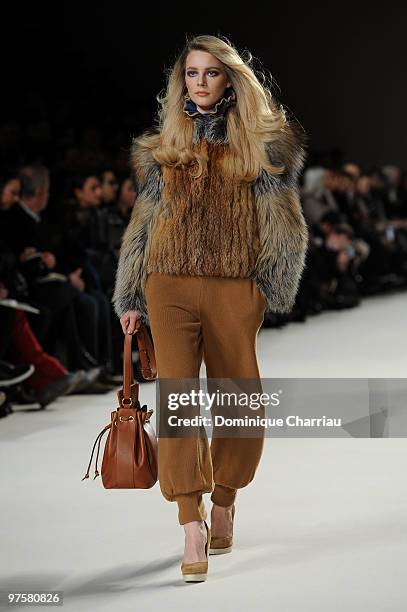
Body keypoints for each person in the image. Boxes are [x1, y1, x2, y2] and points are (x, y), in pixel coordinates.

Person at [112, 34, 309, 582]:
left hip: (232, 287)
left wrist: (269, 287)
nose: (199, 83)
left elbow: (284, 221)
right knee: (177, 400)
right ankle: (189, 520)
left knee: (240, 400)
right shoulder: (161, 148)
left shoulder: (267, 145)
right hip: (167, 284)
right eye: (190, 74)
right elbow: (145, 221)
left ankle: (224, 498)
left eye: (210, 73)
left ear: (231, 80)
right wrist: (131, 293)